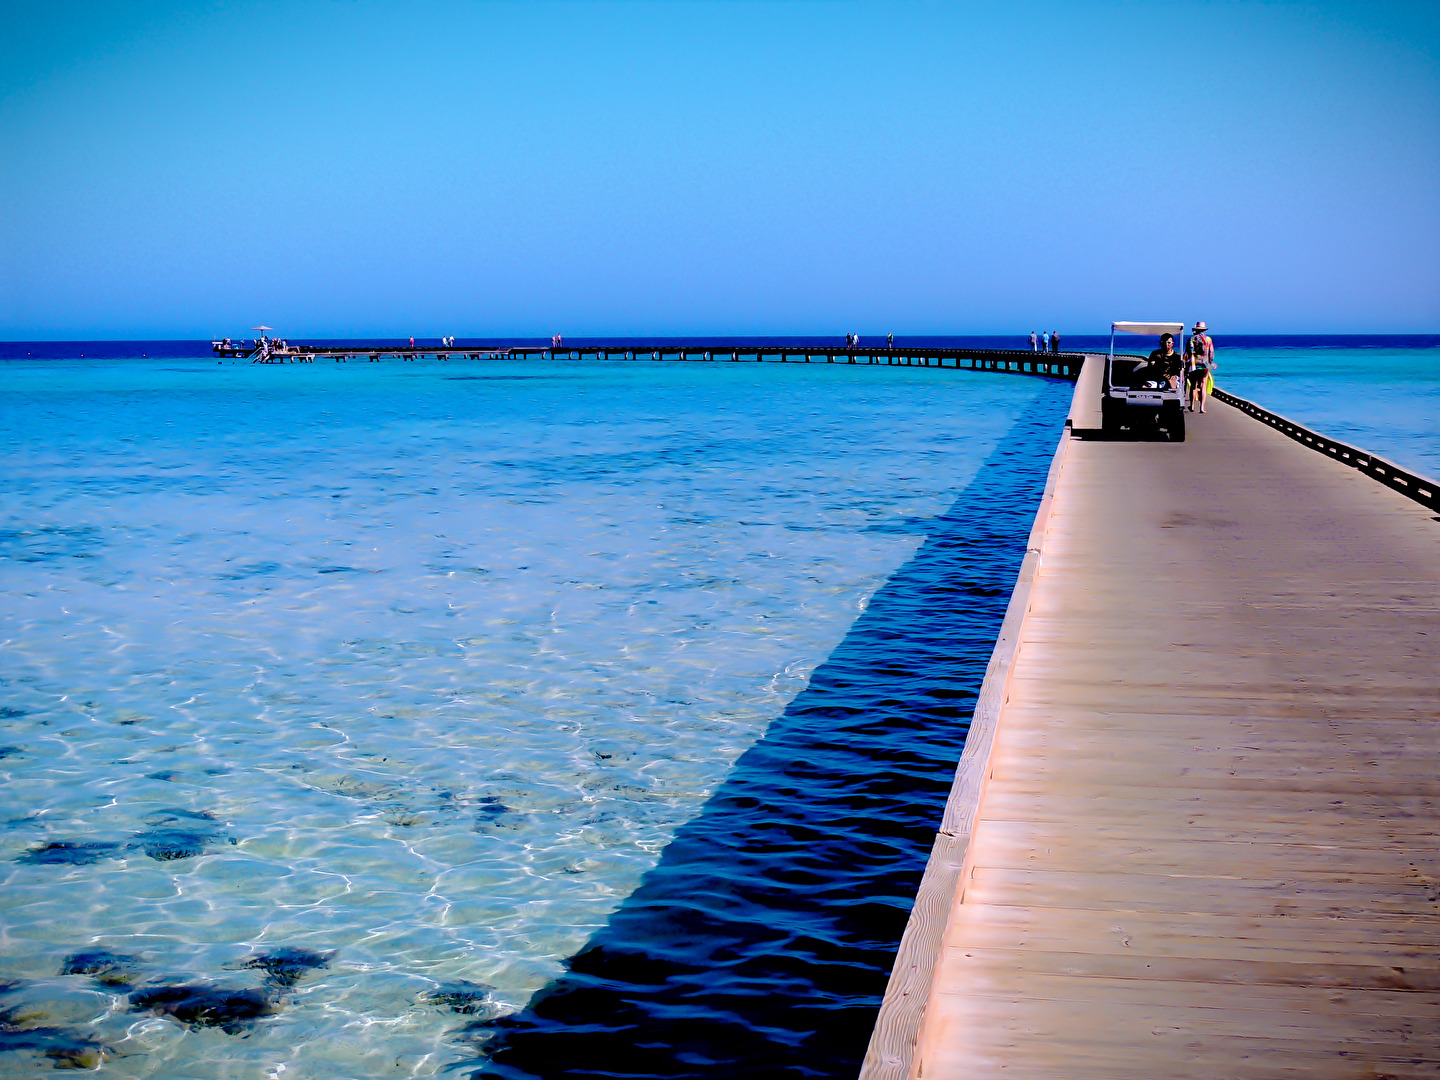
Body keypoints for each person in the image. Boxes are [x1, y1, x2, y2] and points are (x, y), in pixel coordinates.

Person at [1186, 320, 1216, 412]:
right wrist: (1210, 363)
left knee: (1193, 386)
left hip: (1194, 365)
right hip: (1205, 365)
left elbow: (1189, 352)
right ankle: (1202, 407)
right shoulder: (1208, 339)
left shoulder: (1192, 339)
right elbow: (1211, 353)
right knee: (1203, 385)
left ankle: (1192, 405)